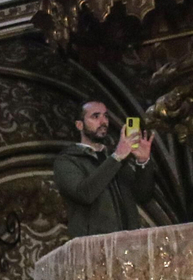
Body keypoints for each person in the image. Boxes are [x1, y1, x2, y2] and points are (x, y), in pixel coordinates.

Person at [53, 100, 155, 238]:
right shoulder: (67, 160)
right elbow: (84, 194)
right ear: (79, 125)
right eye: (95, 116)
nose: (104, 121)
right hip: (93, 245)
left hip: (128, 241)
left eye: (105, 116)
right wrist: (117, 157)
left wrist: (143, 162)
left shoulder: (116, 158)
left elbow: (143, 196)